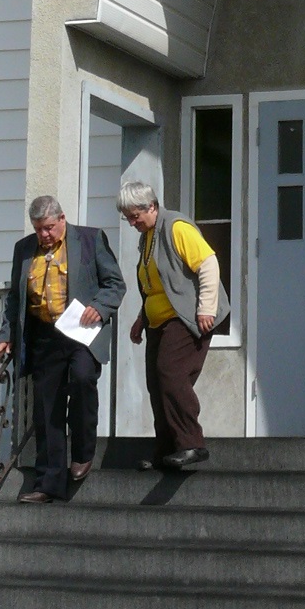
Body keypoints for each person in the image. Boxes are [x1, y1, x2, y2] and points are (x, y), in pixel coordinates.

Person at [0, 194, 125, 502]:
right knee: (46, 408)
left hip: (80, 333)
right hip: (44, 335)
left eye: (50, 228)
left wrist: (100, 307)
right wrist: (7, 333)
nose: (44, 235)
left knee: (82, 380)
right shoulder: (24, 249)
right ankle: (48, 482)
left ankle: (82, 453)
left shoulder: (91, 239)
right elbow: (15, 297)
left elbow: (114, 284)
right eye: (39, 228)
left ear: (62, 219)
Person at [118, 178, 228, 470]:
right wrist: (142, 319)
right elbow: (156, 284)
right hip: (160, 322)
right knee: (156, 383)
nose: (132, 223)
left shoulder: (176, 227)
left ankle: (191, 443)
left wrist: (206, 309)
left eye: (135, 216)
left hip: (187, 318)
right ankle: (167, 451)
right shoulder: (148, 237)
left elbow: (208, 264)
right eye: (127, 217)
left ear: (151, 206)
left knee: (171, 374)